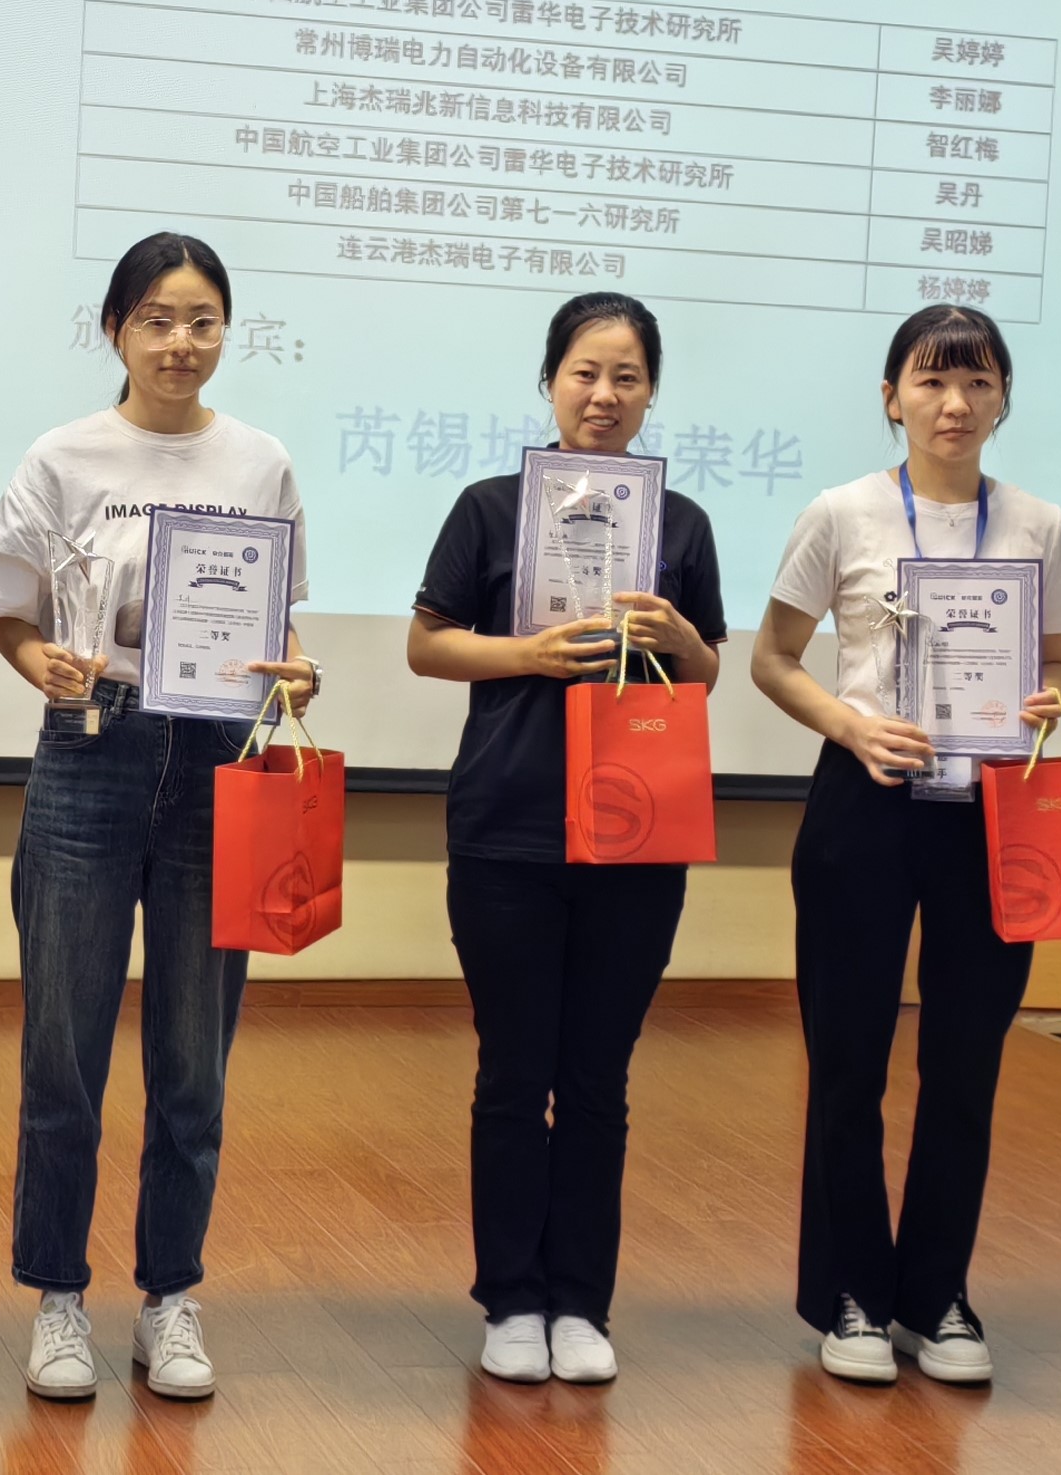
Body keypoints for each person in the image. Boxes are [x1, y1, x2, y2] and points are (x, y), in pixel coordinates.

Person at [0, 234, 318, 1405]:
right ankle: (58, 1297)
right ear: (116, 328)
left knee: (192, 1061)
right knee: (63, 1053)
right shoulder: (62, 456)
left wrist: (297, 672)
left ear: (227, 333)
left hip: (218, 757)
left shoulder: (260, 461)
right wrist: (45, 668)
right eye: (157, 319)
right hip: (91, 750)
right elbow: (9, 615)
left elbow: (277, 623)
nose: (180, 342)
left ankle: (169, 1294)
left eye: (202, 320)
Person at [752, 304, 1061, 1389]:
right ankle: (851, 1290)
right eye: (932, 381)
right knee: (848, 1058)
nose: (954, 403)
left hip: (991, 811)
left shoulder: (1039, 524)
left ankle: (937, 1294)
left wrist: (1046, 699)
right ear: (891, 396)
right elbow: (774, 657)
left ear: (1002, 399)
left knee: (966, 1063)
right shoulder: (841, 513)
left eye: (978, 382)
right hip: (866, 800)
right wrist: (851, 725)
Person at [407, 292, 727, 1390]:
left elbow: (706, 670)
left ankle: (581, 1301)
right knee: (512, 1072)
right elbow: (426, 644)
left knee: (598, 1077)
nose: (604, 394)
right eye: (585, 372)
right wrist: (530, 654)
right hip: (508, 825)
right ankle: (511, 1299)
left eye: (627, 376)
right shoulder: (491, 507)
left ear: (651, 392)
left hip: (638, 831)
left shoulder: (680, 523)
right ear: (549, 380)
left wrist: (679, 636)